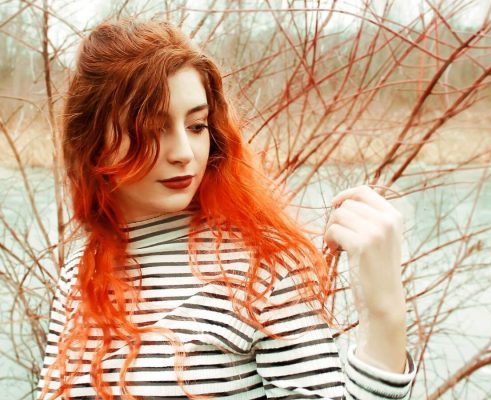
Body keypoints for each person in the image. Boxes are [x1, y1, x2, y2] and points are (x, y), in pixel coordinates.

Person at [37, 18, 416, 400]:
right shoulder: (81, 268)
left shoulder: (263, 268)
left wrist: (385, 312)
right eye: (152, 128)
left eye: (197, 125)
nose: (184, 153)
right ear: (91, 139)